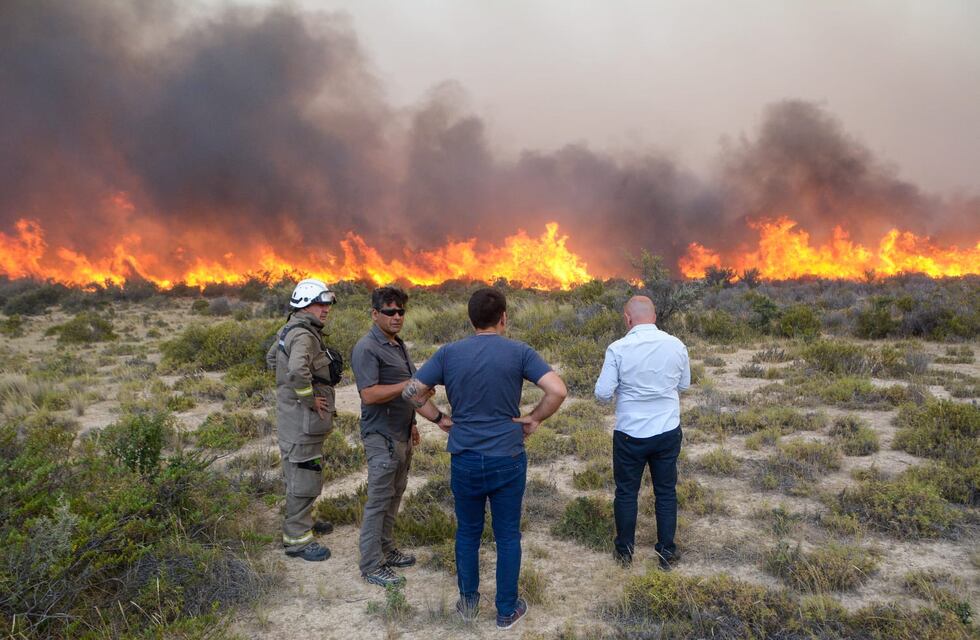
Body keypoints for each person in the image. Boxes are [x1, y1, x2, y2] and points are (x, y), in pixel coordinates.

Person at [403, 287, 567, 630]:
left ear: (470, 319)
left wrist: (439, 419)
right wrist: (534, 418)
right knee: (507, 536)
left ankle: (468, 603)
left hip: (464, 455)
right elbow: (558, 390)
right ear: (504, 318)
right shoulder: (519, 351)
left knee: (468, 533)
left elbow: (412, 391)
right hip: (507, 455)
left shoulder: (449, 353)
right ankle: (506, 610)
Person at [351, 286, 452, 588]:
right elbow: (369, 394)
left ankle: (386, 548)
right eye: (389, 312)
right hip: (381, 436)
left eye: (401, 312)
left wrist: (426, 421)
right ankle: (371, 565)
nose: (397, 317)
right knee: (379, 499)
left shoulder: (398, 345)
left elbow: (410, 393)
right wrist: (408, 384)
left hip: (401, 434)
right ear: (375, 314)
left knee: (395, 495)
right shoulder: (367, 348)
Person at [594, 295, 690, 570]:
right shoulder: (676, 345)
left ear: (627, 318)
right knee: (666, 492)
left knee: (626, 493)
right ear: (655, 316)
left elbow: (602, 393)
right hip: (667, 430)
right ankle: (666, 553)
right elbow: (684, 384)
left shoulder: (618, 348)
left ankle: (624, 553)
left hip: (630, 434)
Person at [265, 278, 343, 561]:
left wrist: (289, 393)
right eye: (320, 304)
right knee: (303, 476)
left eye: (327, 304)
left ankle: (303, 523)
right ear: (305, 305)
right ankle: (297, 540)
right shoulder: (304, 335)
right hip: (301, 422)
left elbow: (272, 359)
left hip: (293, 419)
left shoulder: (291, 328)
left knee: (303, 472)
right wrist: (309, 399)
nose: (325, 309)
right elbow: (297, 370)